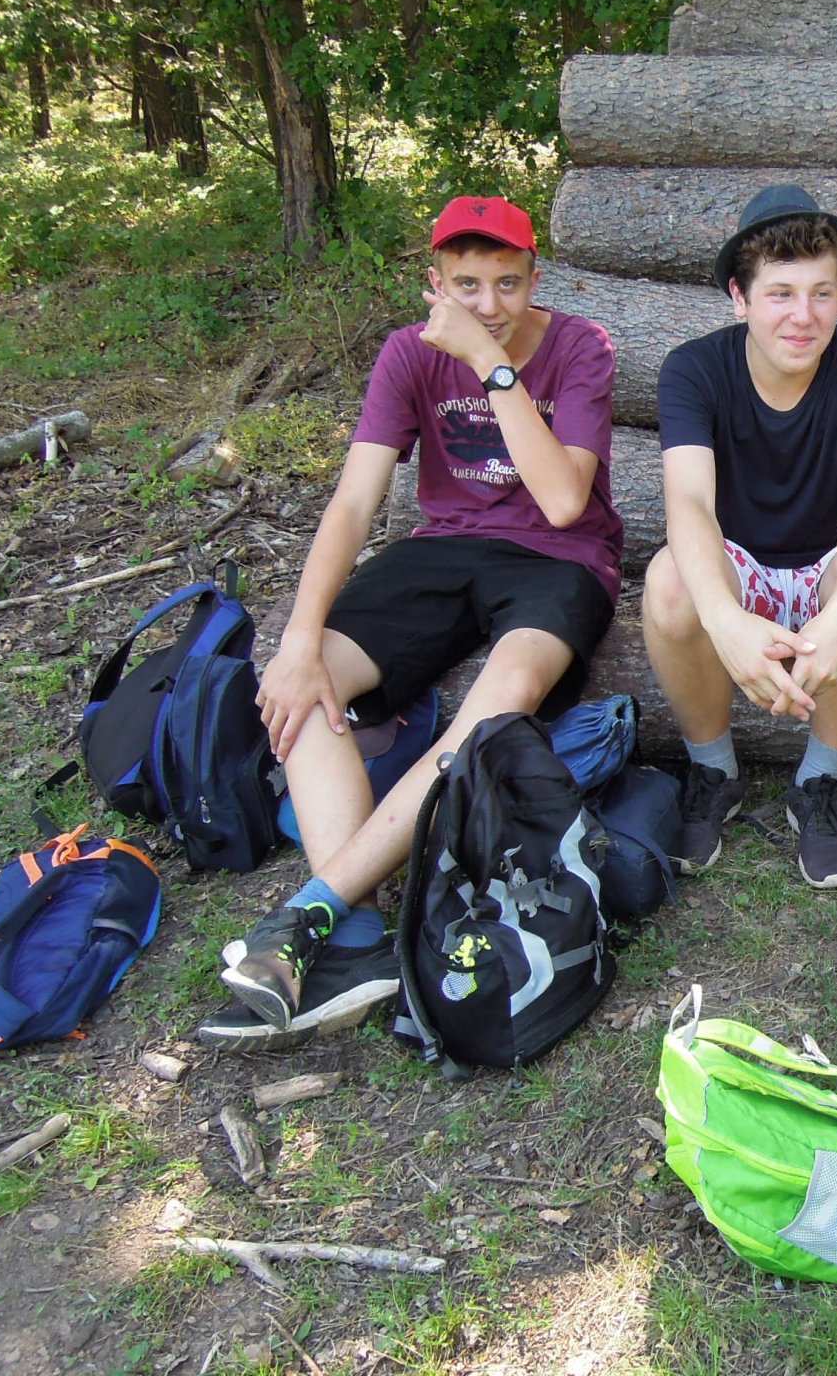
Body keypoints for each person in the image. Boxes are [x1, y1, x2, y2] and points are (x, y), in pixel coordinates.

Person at [198, 196, 623, 1050]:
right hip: (444, 550)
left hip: (562, 559)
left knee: (500, 698)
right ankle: (357, 938)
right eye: (467, 286)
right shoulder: (406, 353)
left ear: (535, 278)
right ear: (436, 283)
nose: (489, 305)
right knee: (308, 683)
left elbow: (562, 498)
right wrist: (299, 643)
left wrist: (490, 365)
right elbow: (354, 503)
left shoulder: (581, 346)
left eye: (508, 284)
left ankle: (314, 909)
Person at [643, 184, 837, 889]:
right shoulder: (694, 368)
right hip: (740, 566)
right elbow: (689, 503)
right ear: (740, 297)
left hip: (827, 564)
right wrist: (723, 619)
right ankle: (713, 771)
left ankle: (818, 782)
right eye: (781, 294)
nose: (803, 316)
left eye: (822, 294)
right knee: (669, 581)